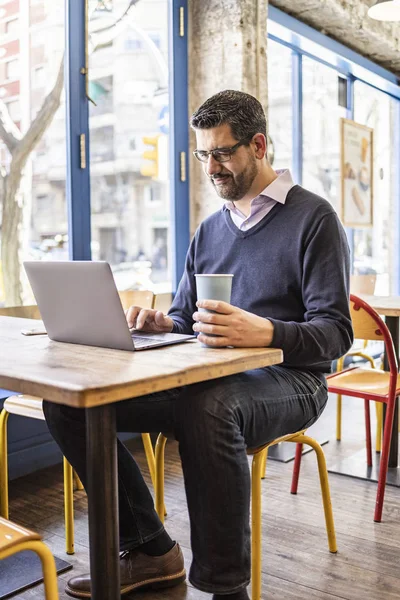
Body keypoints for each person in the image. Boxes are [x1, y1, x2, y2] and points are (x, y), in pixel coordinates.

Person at [44, 90, 353, 600]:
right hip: (205, 374)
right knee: (70, 401)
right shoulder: (210, 229)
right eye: (203, 154)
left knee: (209, 407)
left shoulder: (314, 219)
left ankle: (224, 587)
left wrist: (269, 332)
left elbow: (335, 334)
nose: (212, 167)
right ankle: (148, 549)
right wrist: (158, 323)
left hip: (294, 380)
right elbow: (187, 318)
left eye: (223, 152)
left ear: (258, 145)